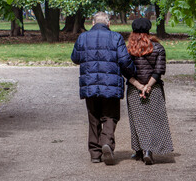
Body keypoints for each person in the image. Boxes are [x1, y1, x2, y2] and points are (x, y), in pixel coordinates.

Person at [71, 12, 136, 165]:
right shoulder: (116, 37)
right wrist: (133, 73)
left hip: (90, 85)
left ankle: (95, 153)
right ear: (108, 24)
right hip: (111, 84)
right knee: (110, 116)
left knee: (93, 118)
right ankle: (106, 142)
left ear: (92, 23)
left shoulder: (83, 37)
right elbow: (124, 61)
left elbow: (75, 58)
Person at [126, 18, 174, 165]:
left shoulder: (128, 49)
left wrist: (140, 86)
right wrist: (148, 86)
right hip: (154, 89)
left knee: (137, 121)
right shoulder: (158, 48)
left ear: (133, 30)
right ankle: (149, 150)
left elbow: (126, 71)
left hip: (134, 89)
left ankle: (140, 151)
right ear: (148, 29)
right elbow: (159, 70)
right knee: (154, 120)